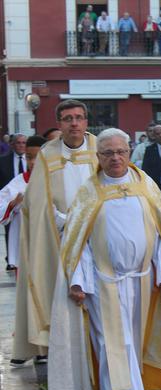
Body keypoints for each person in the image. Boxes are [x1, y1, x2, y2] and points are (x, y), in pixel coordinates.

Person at [47, 128, 161, 390]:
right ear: (99, 157)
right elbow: (78, 242)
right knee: (113, 343)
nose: (115, 158)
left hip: (143, 280)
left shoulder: (145, 185)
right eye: (108, 153)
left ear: (130, 151)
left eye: (120, 151)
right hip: (103, 282)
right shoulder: (89, 192)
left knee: (133, 341)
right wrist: (78, 280)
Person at [12, 100, 99, 366]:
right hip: (59, 233)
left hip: (97, 232)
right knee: (60, 290)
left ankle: (94, 342)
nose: (74, 123)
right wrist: (64, 221)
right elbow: (37, 200)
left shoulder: (100, 147)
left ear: (86, 121)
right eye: (68, 118)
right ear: (59, 123)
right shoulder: (49, 153)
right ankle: (57, 343)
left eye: (79, 118)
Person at [0, 135, 43, 271]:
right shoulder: (19, 182)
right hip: (23, 242)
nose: (33, 162)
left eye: (38, 157)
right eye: (29, 157)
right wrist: (12, 205)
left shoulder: (56, 180)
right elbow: (2, 201)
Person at [142, 124, 161, 195]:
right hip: (155, 185)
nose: (160, 135)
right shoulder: (149, 150)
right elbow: (145, 168)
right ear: (154, 136)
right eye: (158, 134)